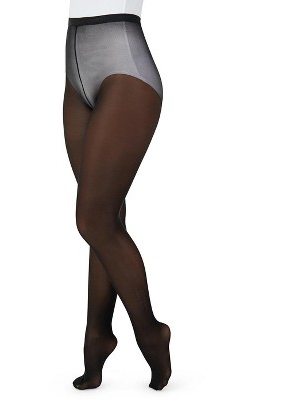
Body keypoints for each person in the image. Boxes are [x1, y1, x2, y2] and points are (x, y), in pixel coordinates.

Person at [62, 0, 172, 391]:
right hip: (75, 71)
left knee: (93, 219)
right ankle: (98, 335)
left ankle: (151, 331)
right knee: (105, 219)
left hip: (124, 66)